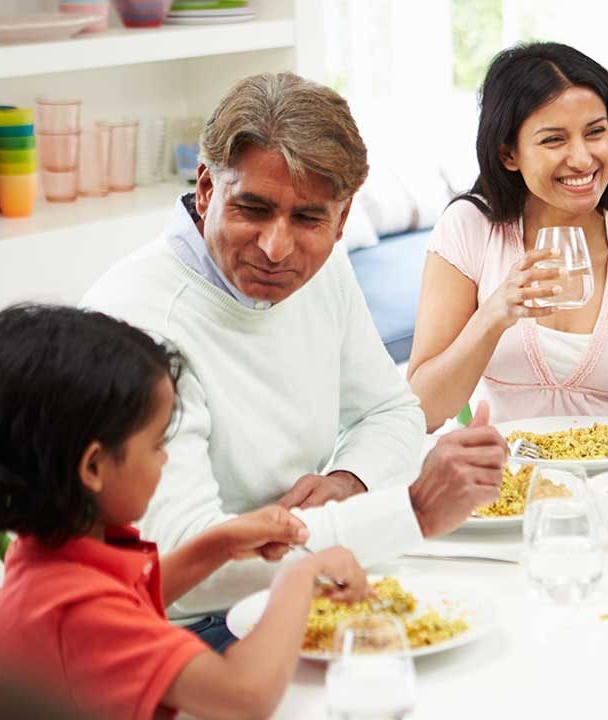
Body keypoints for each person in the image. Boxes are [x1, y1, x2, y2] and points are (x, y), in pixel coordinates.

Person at [81, 73, 506, 645]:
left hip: (304, 583)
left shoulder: (323, 266)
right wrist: (411, 511)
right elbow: (184, 566)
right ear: (206, 188)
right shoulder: (139, 323)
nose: (277, 248)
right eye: (251, 209)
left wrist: (349, 479)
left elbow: (390, 412)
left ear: (343, 216)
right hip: (189, 629)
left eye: (308, 219)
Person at [0, 304, 371, 720]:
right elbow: (244, 696)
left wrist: (221, 542)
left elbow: (130, 600)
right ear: (93, 467)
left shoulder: (46, 558)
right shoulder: (74, 613)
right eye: (158, 444)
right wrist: (299, 577)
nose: (164, 460)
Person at [407, 42, 608, 432]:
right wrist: (494, 315)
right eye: (554, 140)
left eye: (595, 132)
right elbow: (421, 415)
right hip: (510, 485)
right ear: (508, 154)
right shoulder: (469, 229)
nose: (582, 159)